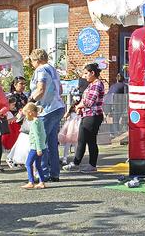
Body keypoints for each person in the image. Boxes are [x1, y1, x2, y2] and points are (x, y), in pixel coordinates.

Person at [28, 49, 66, 181]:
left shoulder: (40, 70)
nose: (32, 64)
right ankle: (55, 173)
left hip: (47, 109)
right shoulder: (52, 69)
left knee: (40, 142)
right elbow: (60, 89)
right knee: (51, 142)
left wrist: (31, 100)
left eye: (32, 61)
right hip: (58, 107)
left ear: (37, 60)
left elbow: (40, 89)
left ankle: (42, 173)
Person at [63, 63, 105, 173]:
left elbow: (89, 102)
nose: (84, 75)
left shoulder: (96, 84)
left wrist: (79, 106)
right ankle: (87, 164)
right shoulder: (91, 84)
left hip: (93, 115)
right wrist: (79, 107)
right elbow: (84, 99)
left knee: (84, 139)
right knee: (87, 140)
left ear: (93, 73)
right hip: (88, 115)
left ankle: (79, 163)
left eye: (86, 73)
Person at [21, 102, 47, 190]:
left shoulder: (35, 123)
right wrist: (42, 147)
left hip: (35, 148)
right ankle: (41, 182)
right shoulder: (39, 121)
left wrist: (38, 148)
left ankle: (31, 182)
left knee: (28, 164)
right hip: (41, 147)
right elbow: (43, 135)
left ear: (30, 112)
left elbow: (37, 136)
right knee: (38, 165)